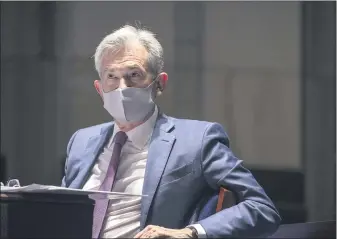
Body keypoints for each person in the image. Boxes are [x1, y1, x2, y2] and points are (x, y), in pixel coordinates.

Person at [61, 25, 281, 238]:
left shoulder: (197, 140)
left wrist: (190, 233)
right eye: (111, 76)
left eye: (134, 75)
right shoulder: (82, 141)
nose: (122, 87)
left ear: (159, 83)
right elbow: (60, 214)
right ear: (99, 89)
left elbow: (261, 208)